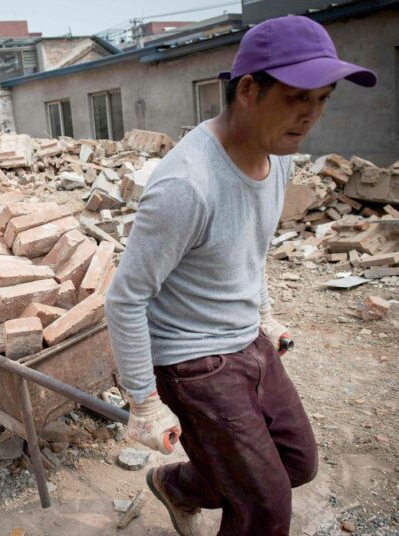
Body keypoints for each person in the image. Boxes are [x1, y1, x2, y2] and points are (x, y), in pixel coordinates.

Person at [105, 15, 376, 536]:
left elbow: (248, 251)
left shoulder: (280, 161)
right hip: (192, 361)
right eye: (298, 97)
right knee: (265, 507)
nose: (311, 116)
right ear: (250, 89)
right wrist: (144, 403)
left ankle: (176, 487)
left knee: (297, 465)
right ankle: (203, 488)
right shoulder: (187, 185)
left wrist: (266, 315)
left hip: (247, 340)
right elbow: (125, 299)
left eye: (323, 99)